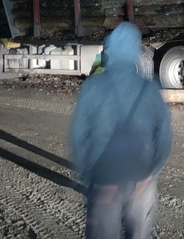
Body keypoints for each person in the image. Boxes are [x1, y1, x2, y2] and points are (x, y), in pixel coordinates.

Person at [70, 22, 172, 238]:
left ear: (111, 49)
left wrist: (90, 178)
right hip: (141, 178)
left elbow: (78, 138)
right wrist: (150, 173)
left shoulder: (92, 86)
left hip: (105, 178)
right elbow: (163, 136)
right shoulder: (150, 88)